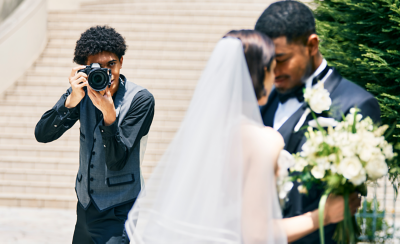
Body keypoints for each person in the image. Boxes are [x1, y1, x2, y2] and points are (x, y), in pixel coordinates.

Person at [124, 31, 360, 244]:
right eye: (272, 66)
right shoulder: (263, 140)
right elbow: (256, 235)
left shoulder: (202, 137)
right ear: (262, 72)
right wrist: (323, 215)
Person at [254, 1, 381, 243]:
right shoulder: (261, 99)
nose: (273, 69)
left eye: (281, 59)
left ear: (312, 45)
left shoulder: (356, 104)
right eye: (267, 60)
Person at [34, 26, 155, 244]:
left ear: (121, 62)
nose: (107, 73)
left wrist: (109, 115)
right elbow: (42, 134)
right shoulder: (81, 93)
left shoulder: (140, 100)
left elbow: (117, 161)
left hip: (119, 209)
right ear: (85, 68)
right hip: (85, 205)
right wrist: (70, 101)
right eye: (98, 67)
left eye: (112, 64)